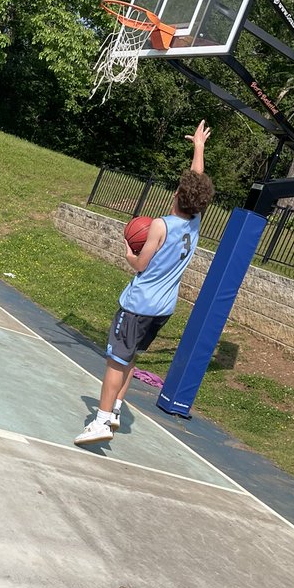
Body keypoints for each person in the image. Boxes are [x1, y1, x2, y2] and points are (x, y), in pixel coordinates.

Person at [74, 120, 214, 448]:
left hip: (138, 304)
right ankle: (118, 408)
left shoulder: (159, 226)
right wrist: (199, 148)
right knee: (131, 355)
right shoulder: (194, 225)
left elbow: (141, 263)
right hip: (163, 308)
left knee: (114, 362)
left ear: (177, 194)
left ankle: (101, 420)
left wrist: (128, 253)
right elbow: (197, 183)